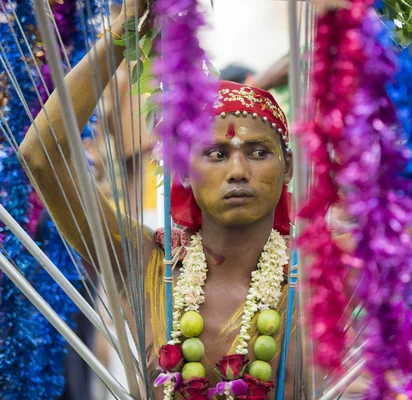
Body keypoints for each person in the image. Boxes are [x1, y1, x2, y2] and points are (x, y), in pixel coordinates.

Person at [19, 2, 298, 399]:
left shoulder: (317, 275)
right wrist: (122, 34)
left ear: (287, 168)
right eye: (216, 153)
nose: (238, 170)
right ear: (184, 170)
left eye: (257, 152)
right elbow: (41, 156)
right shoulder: (146, 260)